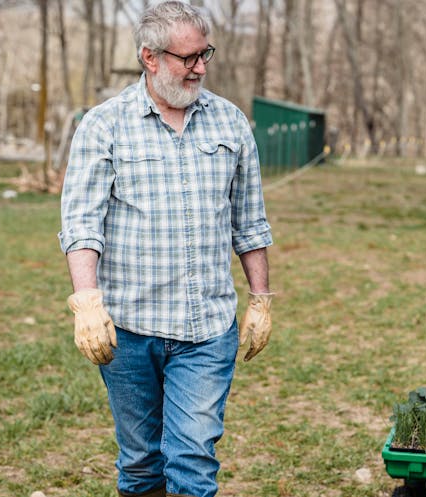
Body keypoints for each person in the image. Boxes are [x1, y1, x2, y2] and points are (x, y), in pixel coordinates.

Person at [58, 2, 274, 496]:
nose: (200, 67)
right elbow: (81, 222)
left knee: (193, 462)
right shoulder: (104, 125)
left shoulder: (231, 123)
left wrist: (261, 298)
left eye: (206, 54)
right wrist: (87, 302)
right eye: (188, 57)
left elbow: (250, 221)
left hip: (206, 328)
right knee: (140, 465)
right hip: (128, 330)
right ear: (149, 57)